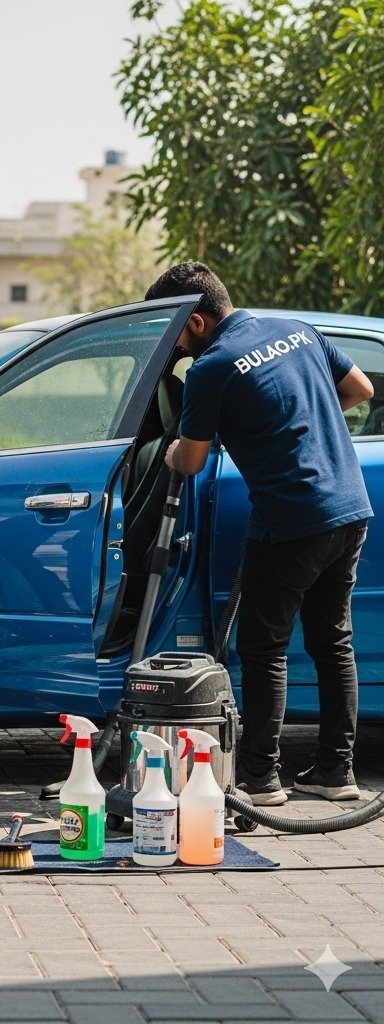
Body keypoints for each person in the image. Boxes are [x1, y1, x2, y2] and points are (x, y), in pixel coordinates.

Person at [147, 261, 374, 806]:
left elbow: (193, 460)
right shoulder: (295, 329)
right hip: (350, 508)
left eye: (173, 330)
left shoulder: (210, 369)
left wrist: (170, 449)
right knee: (332, 642)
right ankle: (336, 774)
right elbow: (360, 388)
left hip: (292, 519)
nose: (172, 344)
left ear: (197, 322)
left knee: (264, 648)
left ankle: (260, 781)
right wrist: (297, 423)